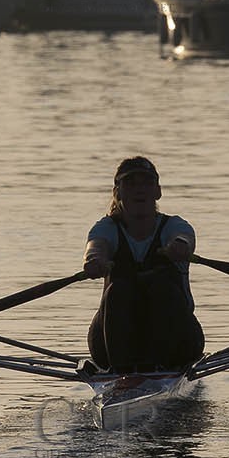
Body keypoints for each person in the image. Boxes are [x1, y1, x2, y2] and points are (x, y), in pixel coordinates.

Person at [82, 156, 205, 373]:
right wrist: (94, 260)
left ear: (157, 191)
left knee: (162, 287)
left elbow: (184, 238)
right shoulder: (107, 228)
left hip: (178, 343)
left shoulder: (174, 225)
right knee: (118, 290)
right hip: (111, 345)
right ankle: (123, 374)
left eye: (147, 183)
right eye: (130, 183)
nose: (140, 189)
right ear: (117, 192)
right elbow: (95, 246)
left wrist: (179, 247)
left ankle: (156, 370)